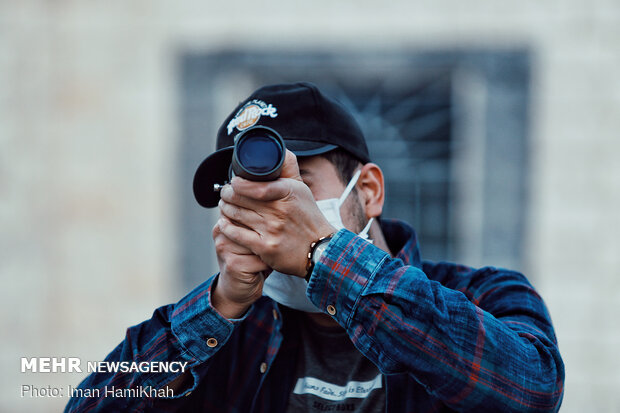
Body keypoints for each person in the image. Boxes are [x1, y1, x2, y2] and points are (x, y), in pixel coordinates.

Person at [65, 82, 564, 412]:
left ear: (367, 191)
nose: (272, 211)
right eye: (244, 196)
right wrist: (219, 307)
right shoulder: (229, 334)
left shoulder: (486, 294)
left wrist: (325, 255)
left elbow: (532, 390)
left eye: (296, 185)